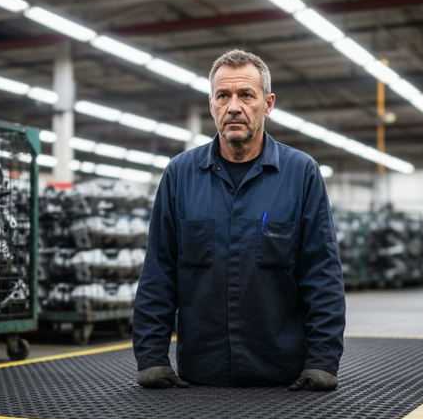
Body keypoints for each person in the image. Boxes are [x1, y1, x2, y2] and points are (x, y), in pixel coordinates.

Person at [132, 49, 346, 391]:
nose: (234, 106)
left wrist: (322, 361)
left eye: (246, 95)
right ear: (212, 104)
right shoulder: (180, 174)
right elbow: (159, 270)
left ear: (268, 103)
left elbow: (321, 272)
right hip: (200, 376)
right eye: (223, 96)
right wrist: (152, 358)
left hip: (282, 379)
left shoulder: (300, 173)